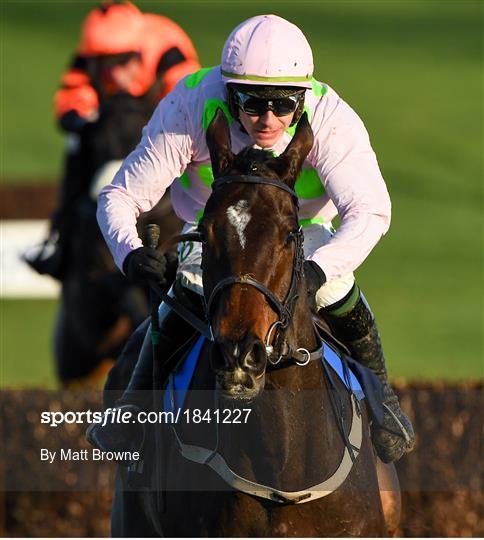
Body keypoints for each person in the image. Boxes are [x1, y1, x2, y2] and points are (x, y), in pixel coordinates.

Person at [89, 14, 415, 463]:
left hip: (299, 232)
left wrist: (317, 271)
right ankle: (133, 408)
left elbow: (372, 212)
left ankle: (384, 404)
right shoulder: (188, 106)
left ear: (302, 97)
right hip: (218, 230)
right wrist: (130, 255)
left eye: (283, 105)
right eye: (252, 101)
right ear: (228, 92)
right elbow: (121, 196)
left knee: (338, 285)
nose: (267, 119)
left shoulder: (332, 119)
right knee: (184, 286)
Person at [25, 1, 199, 278]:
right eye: (103, 65)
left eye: (120, 62)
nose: (111, 74)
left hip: (163, 127)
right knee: (76, 144)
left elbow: (188, 98)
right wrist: (81, 120)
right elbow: (72, 96)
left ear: (137, 53)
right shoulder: (90, 53)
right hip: (114, 127)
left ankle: (197, 228)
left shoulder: (168, 48)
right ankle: (60, 237)